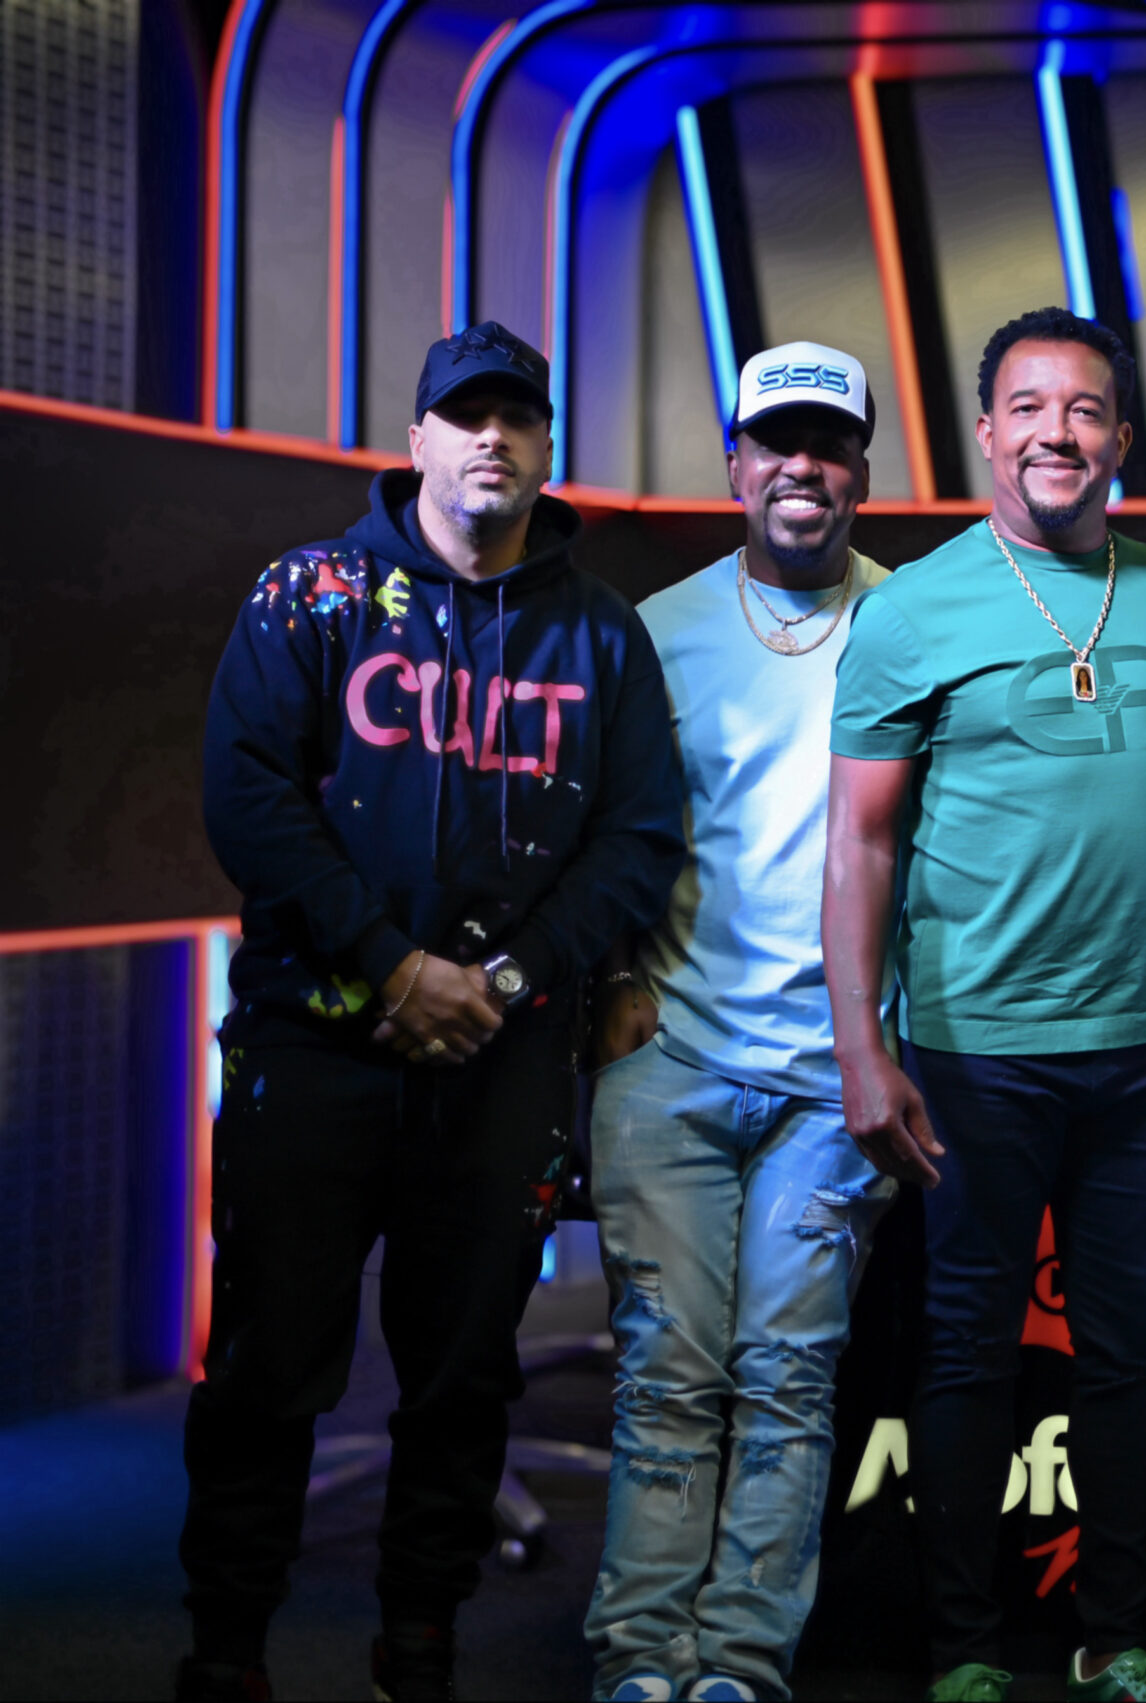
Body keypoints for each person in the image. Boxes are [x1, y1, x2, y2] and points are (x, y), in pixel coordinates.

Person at [183, 321, 685, 1703]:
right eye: (466, 417)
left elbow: (636, 840)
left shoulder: (602, 634)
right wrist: (396, 967)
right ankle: (225, 1648)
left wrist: (500, 985)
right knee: (267, 1364)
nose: (492, 439)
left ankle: (422, 1645)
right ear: (416, 443)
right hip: (309, 1044)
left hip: (502, 1057)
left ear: (546, 446)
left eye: (516, 418)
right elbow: (248, 798)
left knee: (463, 1378)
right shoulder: (311, 594)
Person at [822, 308, 1146, 1703]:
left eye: (1086, 408)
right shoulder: (912, 608)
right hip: (973, 1046)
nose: (1059, 431)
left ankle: (1118, 1632)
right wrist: (861, 1044)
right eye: (1030, 407)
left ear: (1121, 436)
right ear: (987, 432)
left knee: (1128, 1354)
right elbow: (860, 843)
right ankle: (966, 1647)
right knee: (968, 1352)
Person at [584, 343, 900, 1703]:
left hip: (838, 1079)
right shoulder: (654, 630)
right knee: (667, 1374)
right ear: (736, 463)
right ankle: (640, 1657)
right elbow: (602, 835)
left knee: (788, 1380)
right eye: (777, 442)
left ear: (862, 470)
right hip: (675, 1063)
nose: (801, 467)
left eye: (828, 443)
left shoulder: (911, 623)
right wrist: (611, 985)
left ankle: (742, 1665)